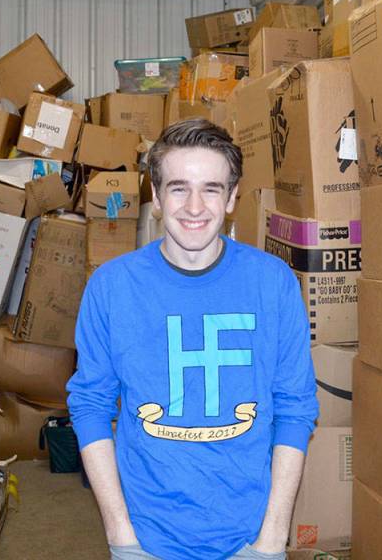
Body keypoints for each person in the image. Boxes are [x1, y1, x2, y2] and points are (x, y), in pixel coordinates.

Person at [67, 118, 319, 560]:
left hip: (249, 538)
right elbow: (90, 406)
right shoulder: (111, 287)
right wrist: (121, 535)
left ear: (233, 196)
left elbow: (296, 407)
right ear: (156, 196)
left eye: (212, 188)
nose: (195, 206)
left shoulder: (273, 284)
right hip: (145, 539)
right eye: (179, 188)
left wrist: (272, 539)